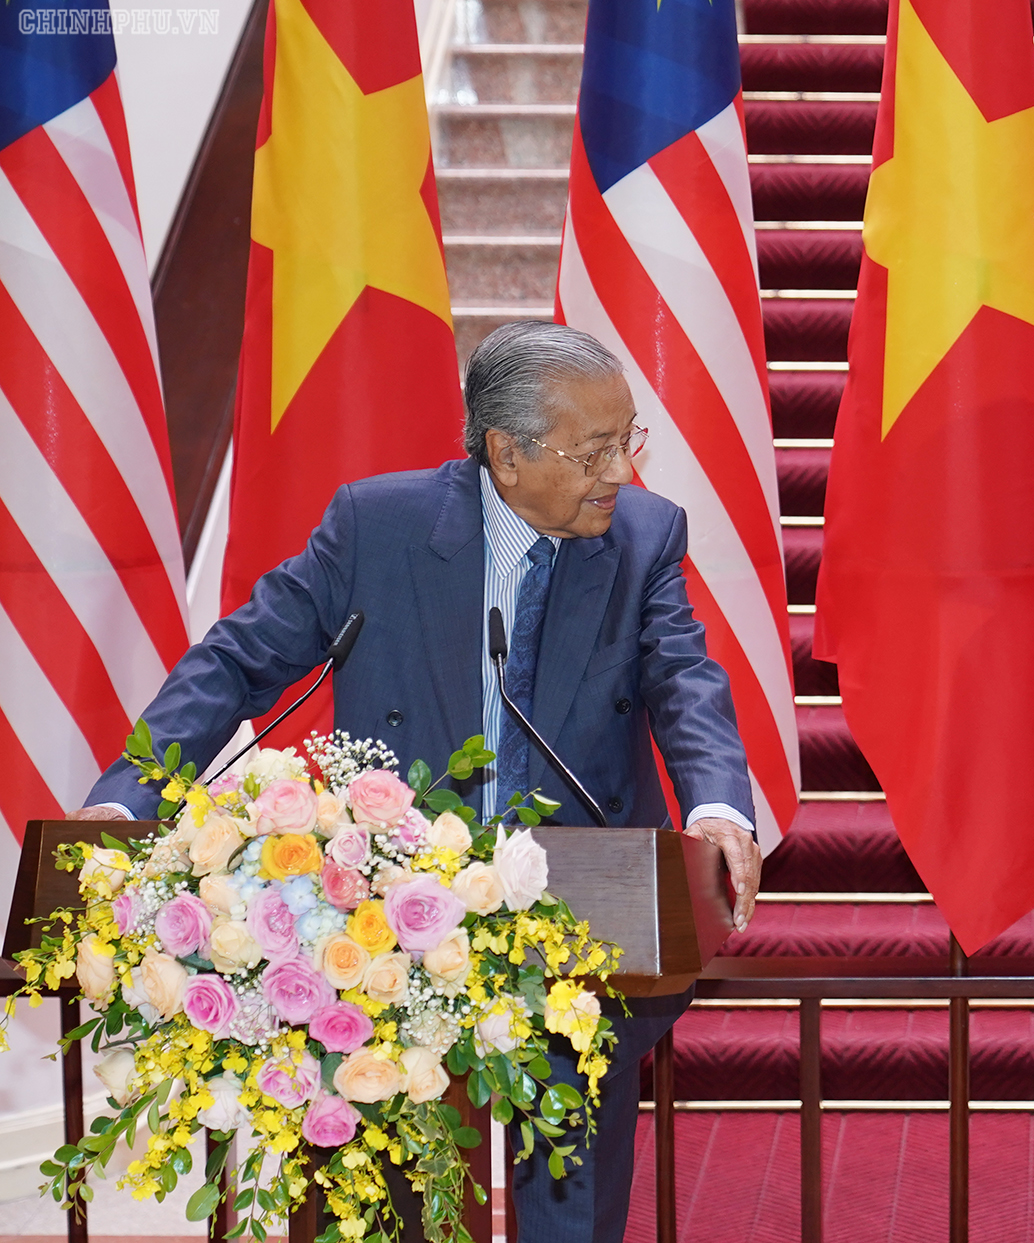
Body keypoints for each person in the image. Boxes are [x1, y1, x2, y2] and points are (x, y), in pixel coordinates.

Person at [73, 320, 762, 1243]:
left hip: (580, 938)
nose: (620, 470)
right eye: (594, 449)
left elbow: (685, 679)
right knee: (391, 1209)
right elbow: (238, 661)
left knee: (571, 1209)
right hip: (392, 933)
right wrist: (128, 795)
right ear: (506, 453)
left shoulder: (643, 537)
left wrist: (717, 803)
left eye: (626, 439)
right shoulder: (376, 527)